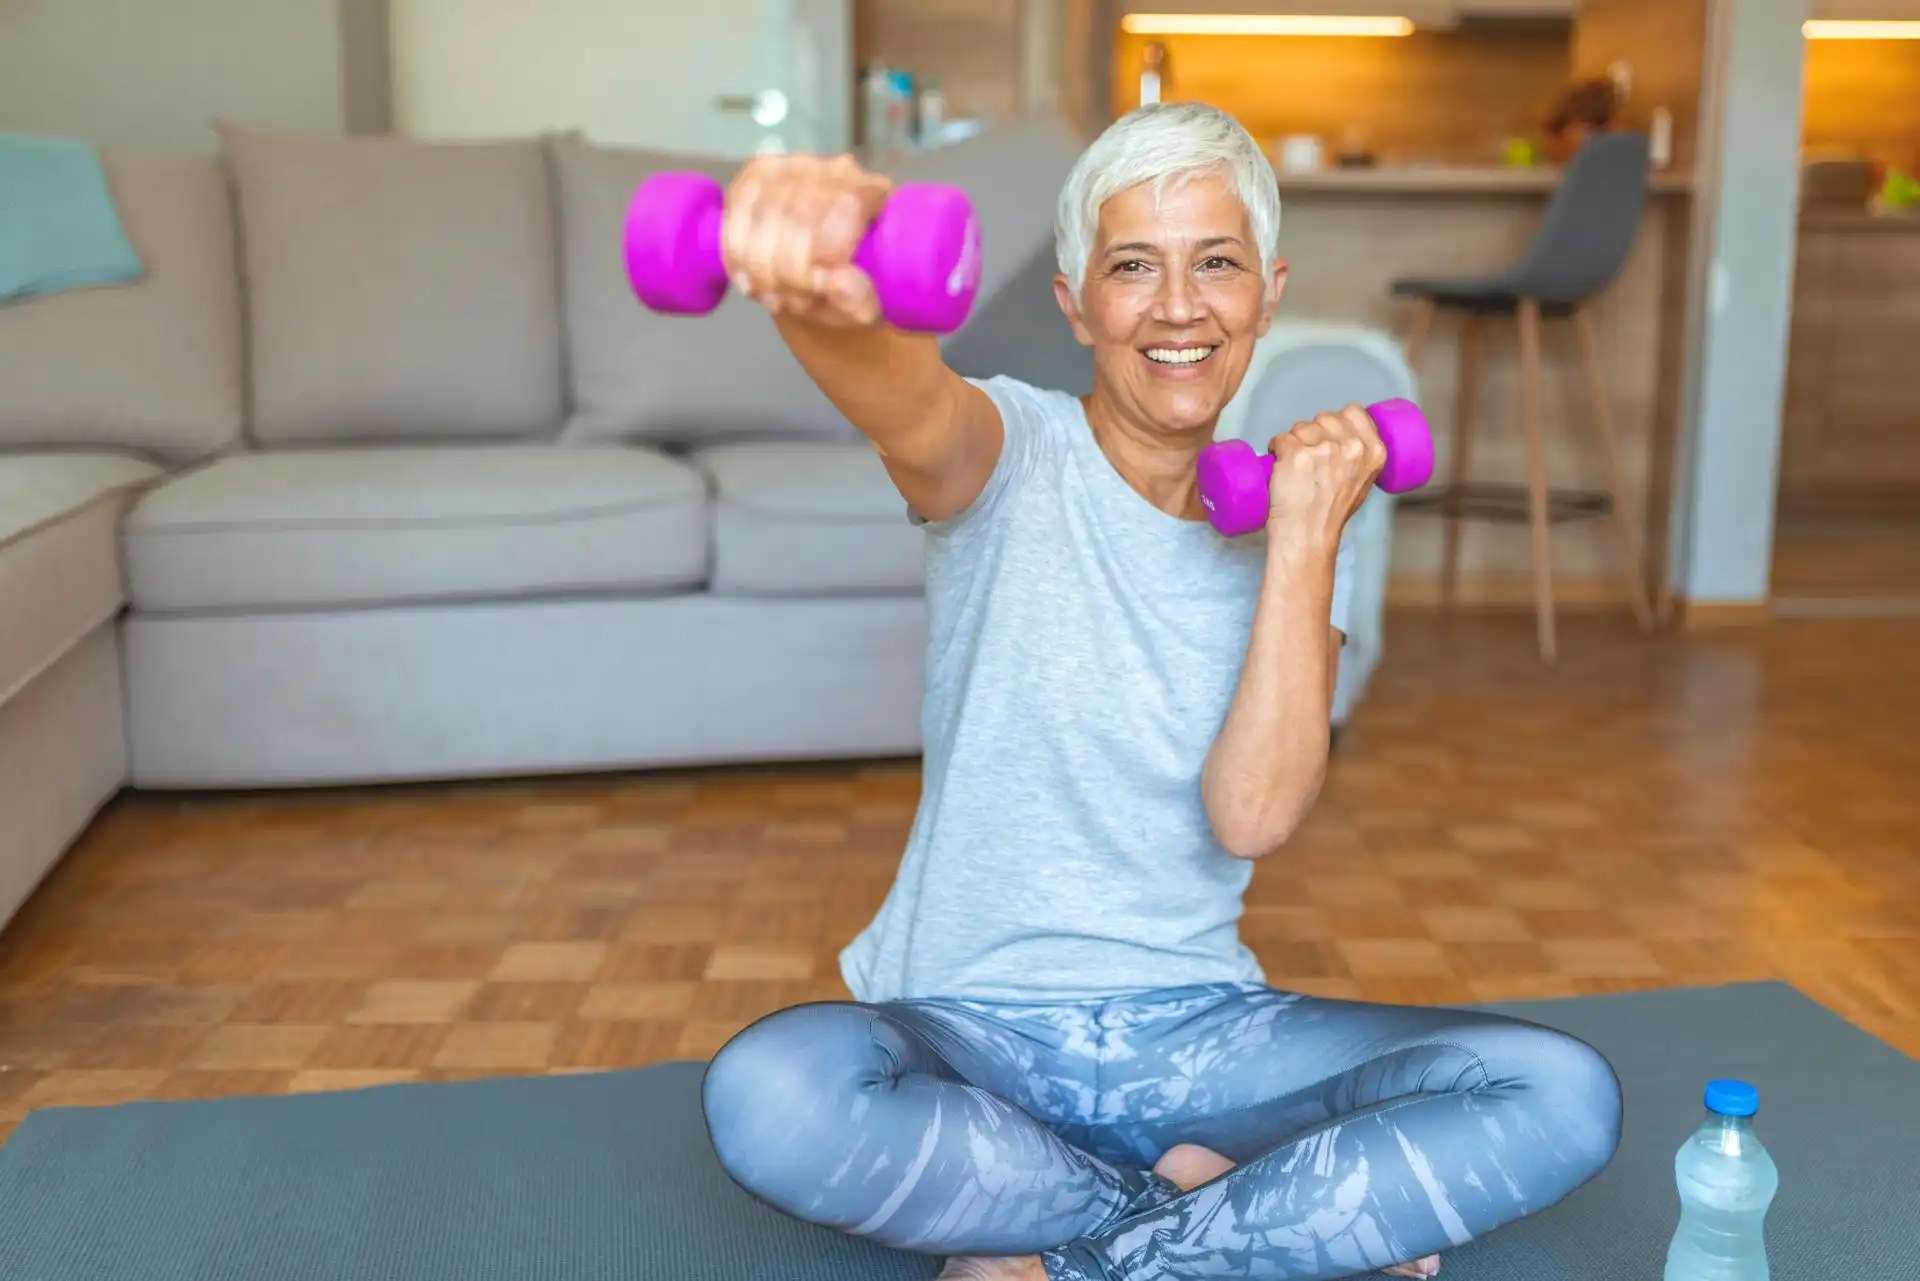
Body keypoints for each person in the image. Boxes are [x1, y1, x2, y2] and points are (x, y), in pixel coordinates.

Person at [698, 102, 1622, 1281]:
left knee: (1559, 1091)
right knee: (775, 1090)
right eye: (1134, 267)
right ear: (1078, 304)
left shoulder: (1291, 543)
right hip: (974, 1040)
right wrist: (813, 281)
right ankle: (1224, 1218)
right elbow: (894, 386)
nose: (1179, 307)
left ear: (1268, 294)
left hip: (1204, 1041)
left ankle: (1061, 1253)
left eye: (1216, 264)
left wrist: (1305, 542)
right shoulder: (1002, 455)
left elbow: (1254, 815)